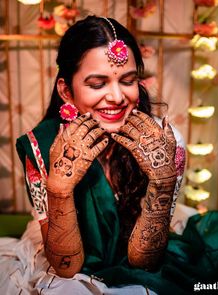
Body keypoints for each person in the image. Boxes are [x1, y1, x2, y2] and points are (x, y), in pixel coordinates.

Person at [16, 15, 186, 295]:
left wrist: (162, 182)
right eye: (98, 84)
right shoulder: (44, 146)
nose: (117, 97)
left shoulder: (166, 144)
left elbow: (144, 264)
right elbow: (66, 267)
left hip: (138, 265)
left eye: (129, 81)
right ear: (66, 91)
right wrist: (59, 188)